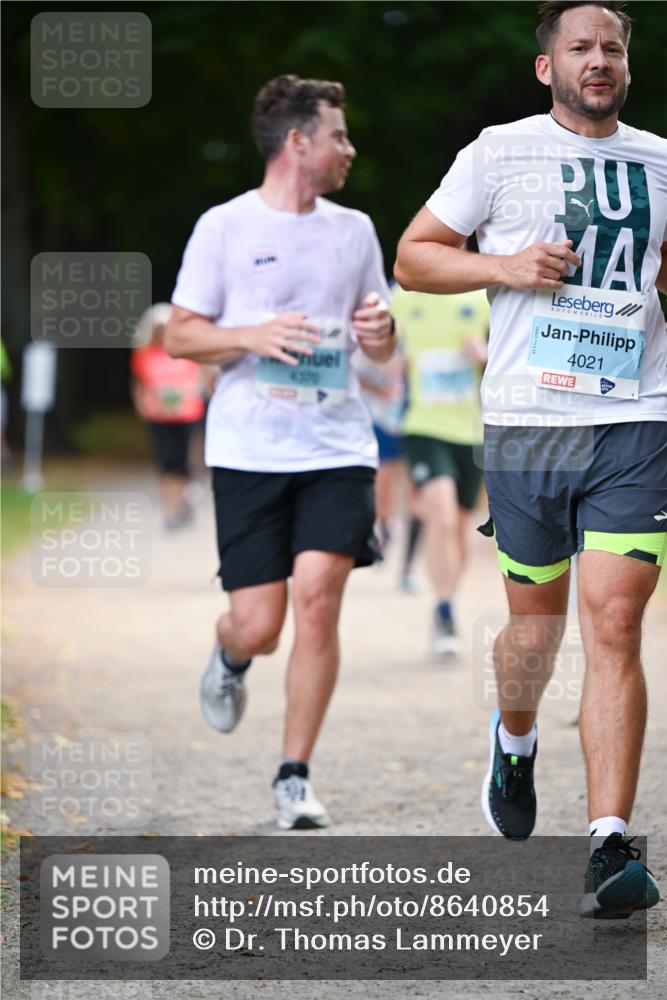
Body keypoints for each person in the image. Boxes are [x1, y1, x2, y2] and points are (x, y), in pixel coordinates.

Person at [395, 0, 665, 918]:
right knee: (534, 635)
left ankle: (608, 846)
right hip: (528, 423)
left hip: (636, 416)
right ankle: (513, 740)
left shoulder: (660, 160)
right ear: (546, 66)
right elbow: (415, 258)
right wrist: (505, 266)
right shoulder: (497, 152)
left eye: (612, 47)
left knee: (614, 621)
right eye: (580, 47)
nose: (599, 60)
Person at [165, 75, 395, 829]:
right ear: (298, 141)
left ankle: (294, 775)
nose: (350, 148)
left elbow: (377, 344)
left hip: (336, 444)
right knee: (260, 625)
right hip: (249, 447)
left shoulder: (354, 230)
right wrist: (251, 336)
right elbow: (181, 334)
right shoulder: (224, 226)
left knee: (318, 603)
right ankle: (230, 653)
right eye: (339, 135)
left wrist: (381, 335)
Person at [392, 286, 488, 655]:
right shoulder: (402, 297)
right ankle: (445, 609)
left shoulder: (482, 296)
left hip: (471, 431)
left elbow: (517, 357)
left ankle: (446, 601)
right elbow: (375, 352)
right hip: (423, 426)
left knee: (461, 525)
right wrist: (390, 363)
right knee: (441, 515)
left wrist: (485, 357)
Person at [131, 304, 208, 530]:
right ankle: (170, 511)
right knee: (167, 463)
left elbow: (200, 381)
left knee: (187, 462)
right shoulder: (144, 355)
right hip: (159, 416)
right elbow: (139, 384)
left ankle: (185, 501)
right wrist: (143, 406)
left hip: (187, 415)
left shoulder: (188, 352)